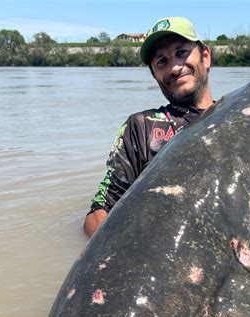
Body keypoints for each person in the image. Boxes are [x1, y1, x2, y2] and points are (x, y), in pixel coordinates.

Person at [84, 16, 214, 237]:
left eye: (181, 52)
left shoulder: (240, 116)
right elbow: (98, 212)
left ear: (205, 56)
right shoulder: (141, 127)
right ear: (155, 75)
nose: (174, 67)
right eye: (161, 61)